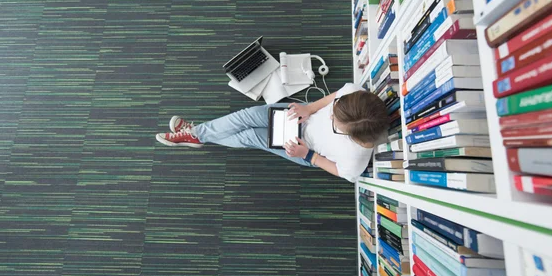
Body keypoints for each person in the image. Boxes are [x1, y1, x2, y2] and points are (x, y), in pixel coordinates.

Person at [155, 83, 390, 182]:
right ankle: (197, 135)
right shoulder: (355, 95)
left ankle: (194, 134)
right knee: (245, 117)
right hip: (301, 115)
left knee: (250, 136)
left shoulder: (355, 159)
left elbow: (338, 170)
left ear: (353, 136)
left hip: (303, 147)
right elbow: (334, 97)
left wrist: (307, 155)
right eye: (335, 111)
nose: (330, 115)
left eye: (336, 123)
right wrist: (309, 108)